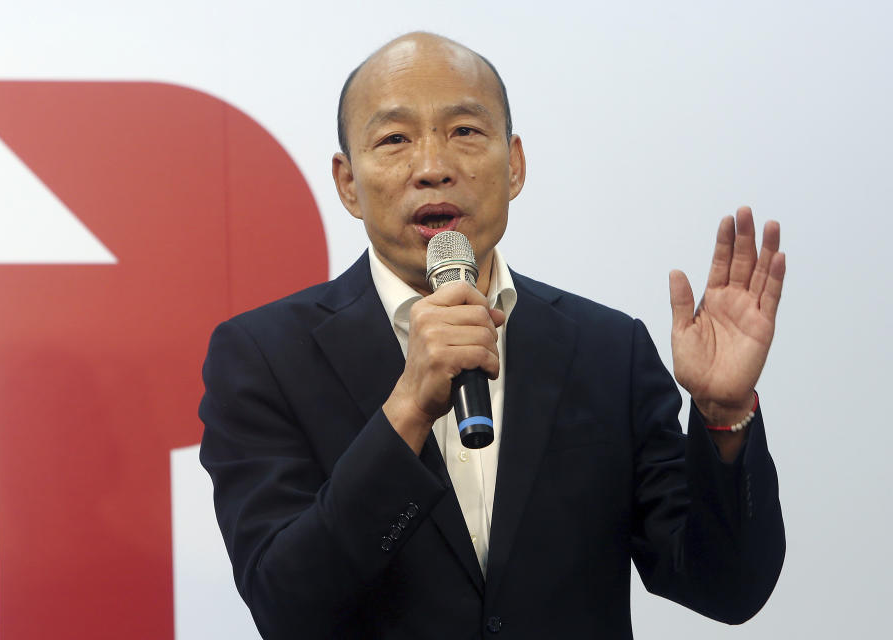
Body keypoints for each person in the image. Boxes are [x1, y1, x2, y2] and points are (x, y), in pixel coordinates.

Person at [199, 32, 786, 639]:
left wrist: (723, 414)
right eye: (395, 138)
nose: (433, 167)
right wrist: (408, 406)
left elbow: (726, 587)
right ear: (348, 182)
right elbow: (285, 604)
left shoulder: (609, 350)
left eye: (465, 132)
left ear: (516, 166)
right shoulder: (263, 357)